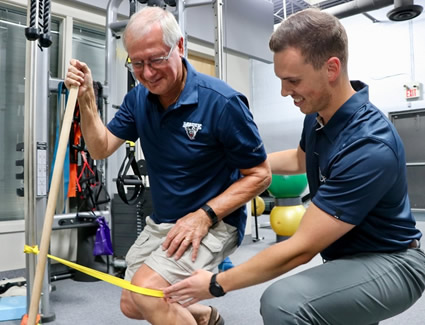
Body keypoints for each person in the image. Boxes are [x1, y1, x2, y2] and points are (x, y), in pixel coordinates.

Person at [163, 8, 425, 325]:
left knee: (284, 302)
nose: (285, 92)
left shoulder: (369, 145)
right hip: (346, 257)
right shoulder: (317, 117)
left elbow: (300, 249)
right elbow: (300, 159)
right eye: (281, 80)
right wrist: (232, 165)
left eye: (293, 81)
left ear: (331, 69)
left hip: (393, 262)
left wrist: (216, 284)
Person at [64, 6, 271, 325]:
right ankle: (205, 317)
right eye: (137, 63)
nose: (147, 73)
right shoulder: (138, 99)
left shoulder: (222, 103)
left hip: (214, 222)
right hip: (164, 222)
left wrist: (204, 216)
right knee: (132, 303)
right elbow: (101, 148)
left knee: (147, 292)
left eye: (156, 59)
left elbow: (260, 175)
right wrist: (88, 99)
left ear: (179, 47)